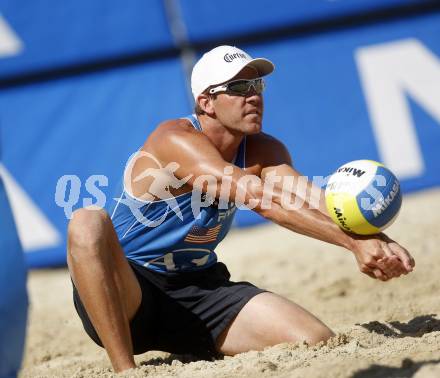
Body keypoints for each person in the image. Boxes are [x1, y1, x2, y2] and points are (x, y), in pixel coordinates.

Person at [67, 45, 415, 372]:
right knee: (87, 222)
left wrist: (377, 238)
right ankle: (125, 371)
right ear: (206, 102)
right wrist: (353, 244)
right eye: (239, 86)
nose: (254, 95)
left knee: (316, 340)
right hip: (129, 290)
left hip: (199, 288)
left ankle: (196, 343)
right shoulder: (173, 139)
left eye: (257, 84)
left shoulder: (263, 150)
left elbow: (312, 199)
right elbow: (263, 202)